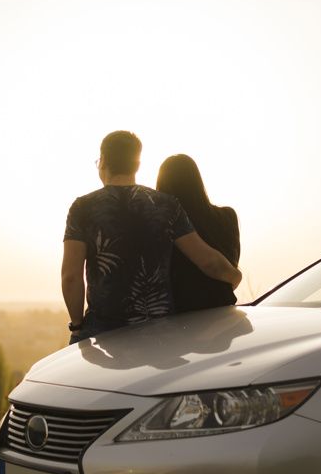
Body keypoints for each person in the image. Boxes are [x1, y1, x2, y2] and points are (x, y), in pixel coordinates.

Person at [62, 131, 241, 343]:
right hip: (159, 331)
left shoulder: (82, 208)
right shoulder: (166, 205)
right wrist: (235, 276)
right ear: (137, 165)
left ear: (102, 162)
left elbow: (71, 277)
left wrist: (77, 325)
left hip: (103, 331)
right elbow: (207, 260)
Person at [156, 154, 240, 313]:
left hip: (180, 315)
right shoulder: (227, 216)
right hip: (224, 310)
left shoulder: (162, 224)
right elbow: (230, 264)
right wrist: (236, 277)